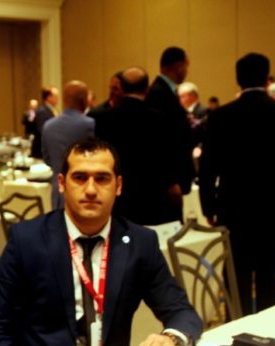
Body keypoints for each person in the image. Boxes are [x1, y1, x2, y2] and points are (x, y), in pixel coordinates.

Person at [0, 139, 202, 346]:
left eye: (101, 178)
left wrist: (171, 339)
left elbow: (181, 312)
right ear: (62, 183)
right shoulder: (27, 240)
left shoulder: (140, 243)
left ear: (118, 186)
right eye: (80, 178)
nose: (90, 189)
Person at [199, 53, 275, 315]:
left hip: (234, 210)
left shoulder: (221, 116)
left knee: (237, 281)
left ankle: (235, 328)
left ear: (237, 79)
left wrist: (208, 207)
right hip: (274, 211)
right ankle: (273, 331)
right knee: (273, 280)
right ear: (267, 79)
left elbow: (208, 167)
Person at [93, 67, 179, 226]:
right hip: (153, 197)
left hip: (117, 197)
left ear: (122, 88)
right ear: (147, 88)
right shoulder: (160, 120)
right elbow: (167, 161)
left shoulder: (102, 119)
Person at [146, 47, 195, 199]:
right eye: (186, 66)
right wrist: (170, 181)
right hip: (168, 182)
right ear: (178, 66)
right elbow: (160, 140)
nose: (186, 71)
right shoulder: (159, 93)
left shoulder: (165, 91)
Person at [41, 80, 95, 210]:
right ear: (84, 100)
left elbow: (47, 158)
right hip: (84, 190)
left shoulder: (48, 125)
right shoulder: (89, 124)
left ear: (64, 100)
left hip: (58, 190)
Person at [30, 86, 59, 159]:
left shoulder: (53, 110)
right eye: (56, 96)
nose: (58, 98)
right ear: (49, 97)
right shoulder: (42, 111)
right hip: (42, 151)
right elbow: (42, 131)